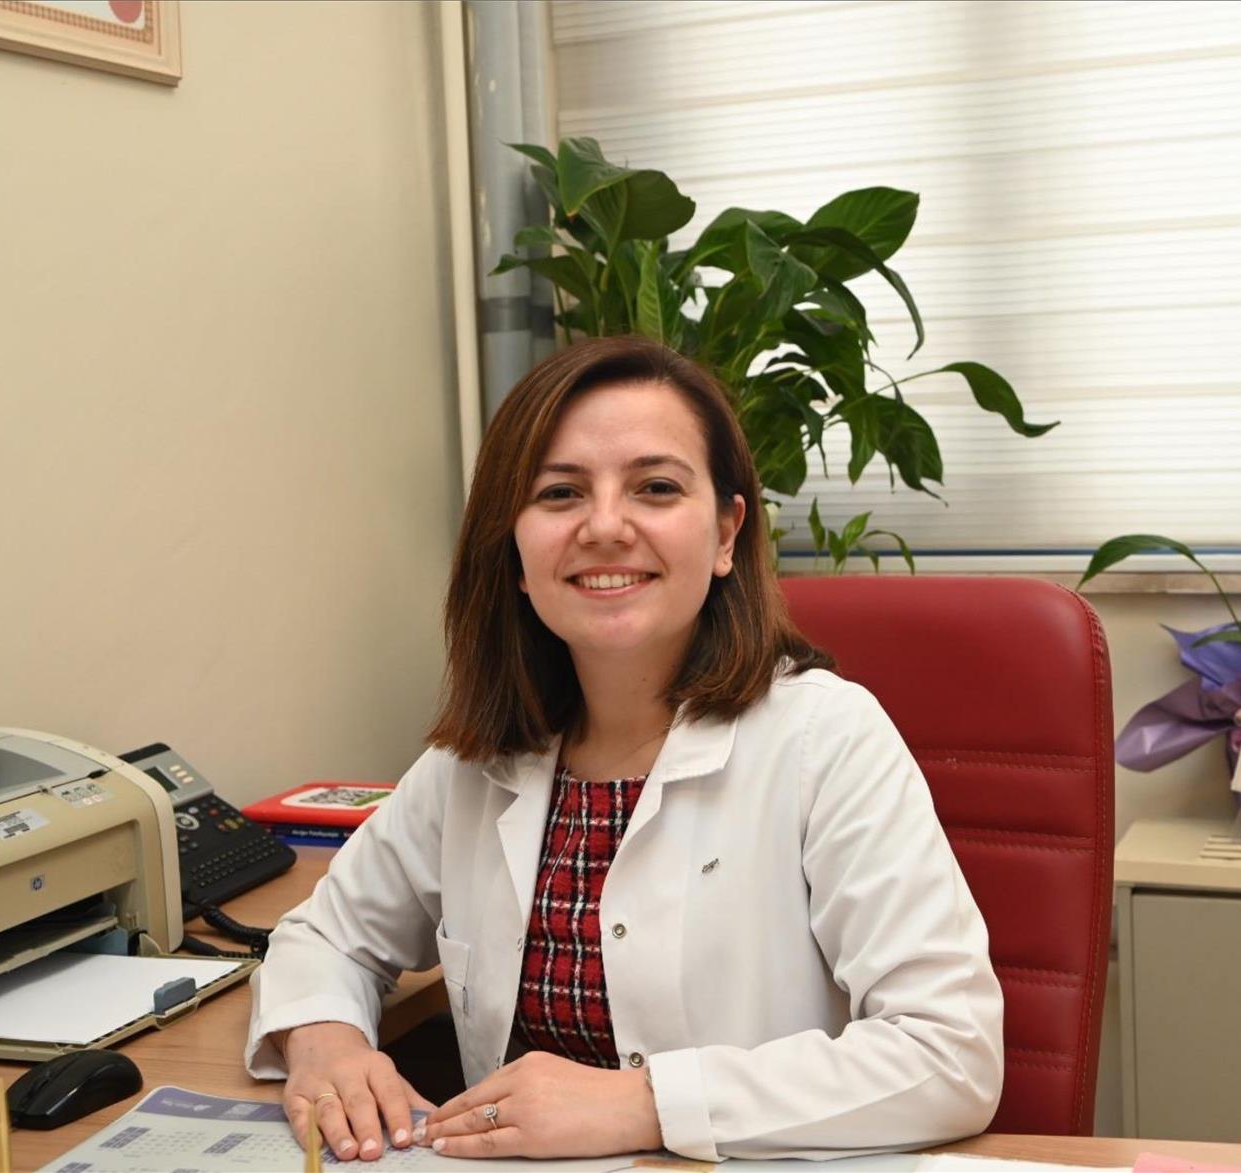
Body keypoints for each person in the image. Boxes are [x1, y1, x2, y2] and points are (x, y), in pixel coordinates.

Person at [244, 336, 1004, 1162]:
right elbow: (325, 935)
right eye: (560, 492)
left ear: (726, 533)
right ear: (515, 550)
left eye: (656, 487)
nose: (605, 525)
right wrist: (323, 1038)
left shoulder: (826, 738)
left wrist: (647, 1103)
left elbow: (950, 1052)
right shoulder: (478, 763)